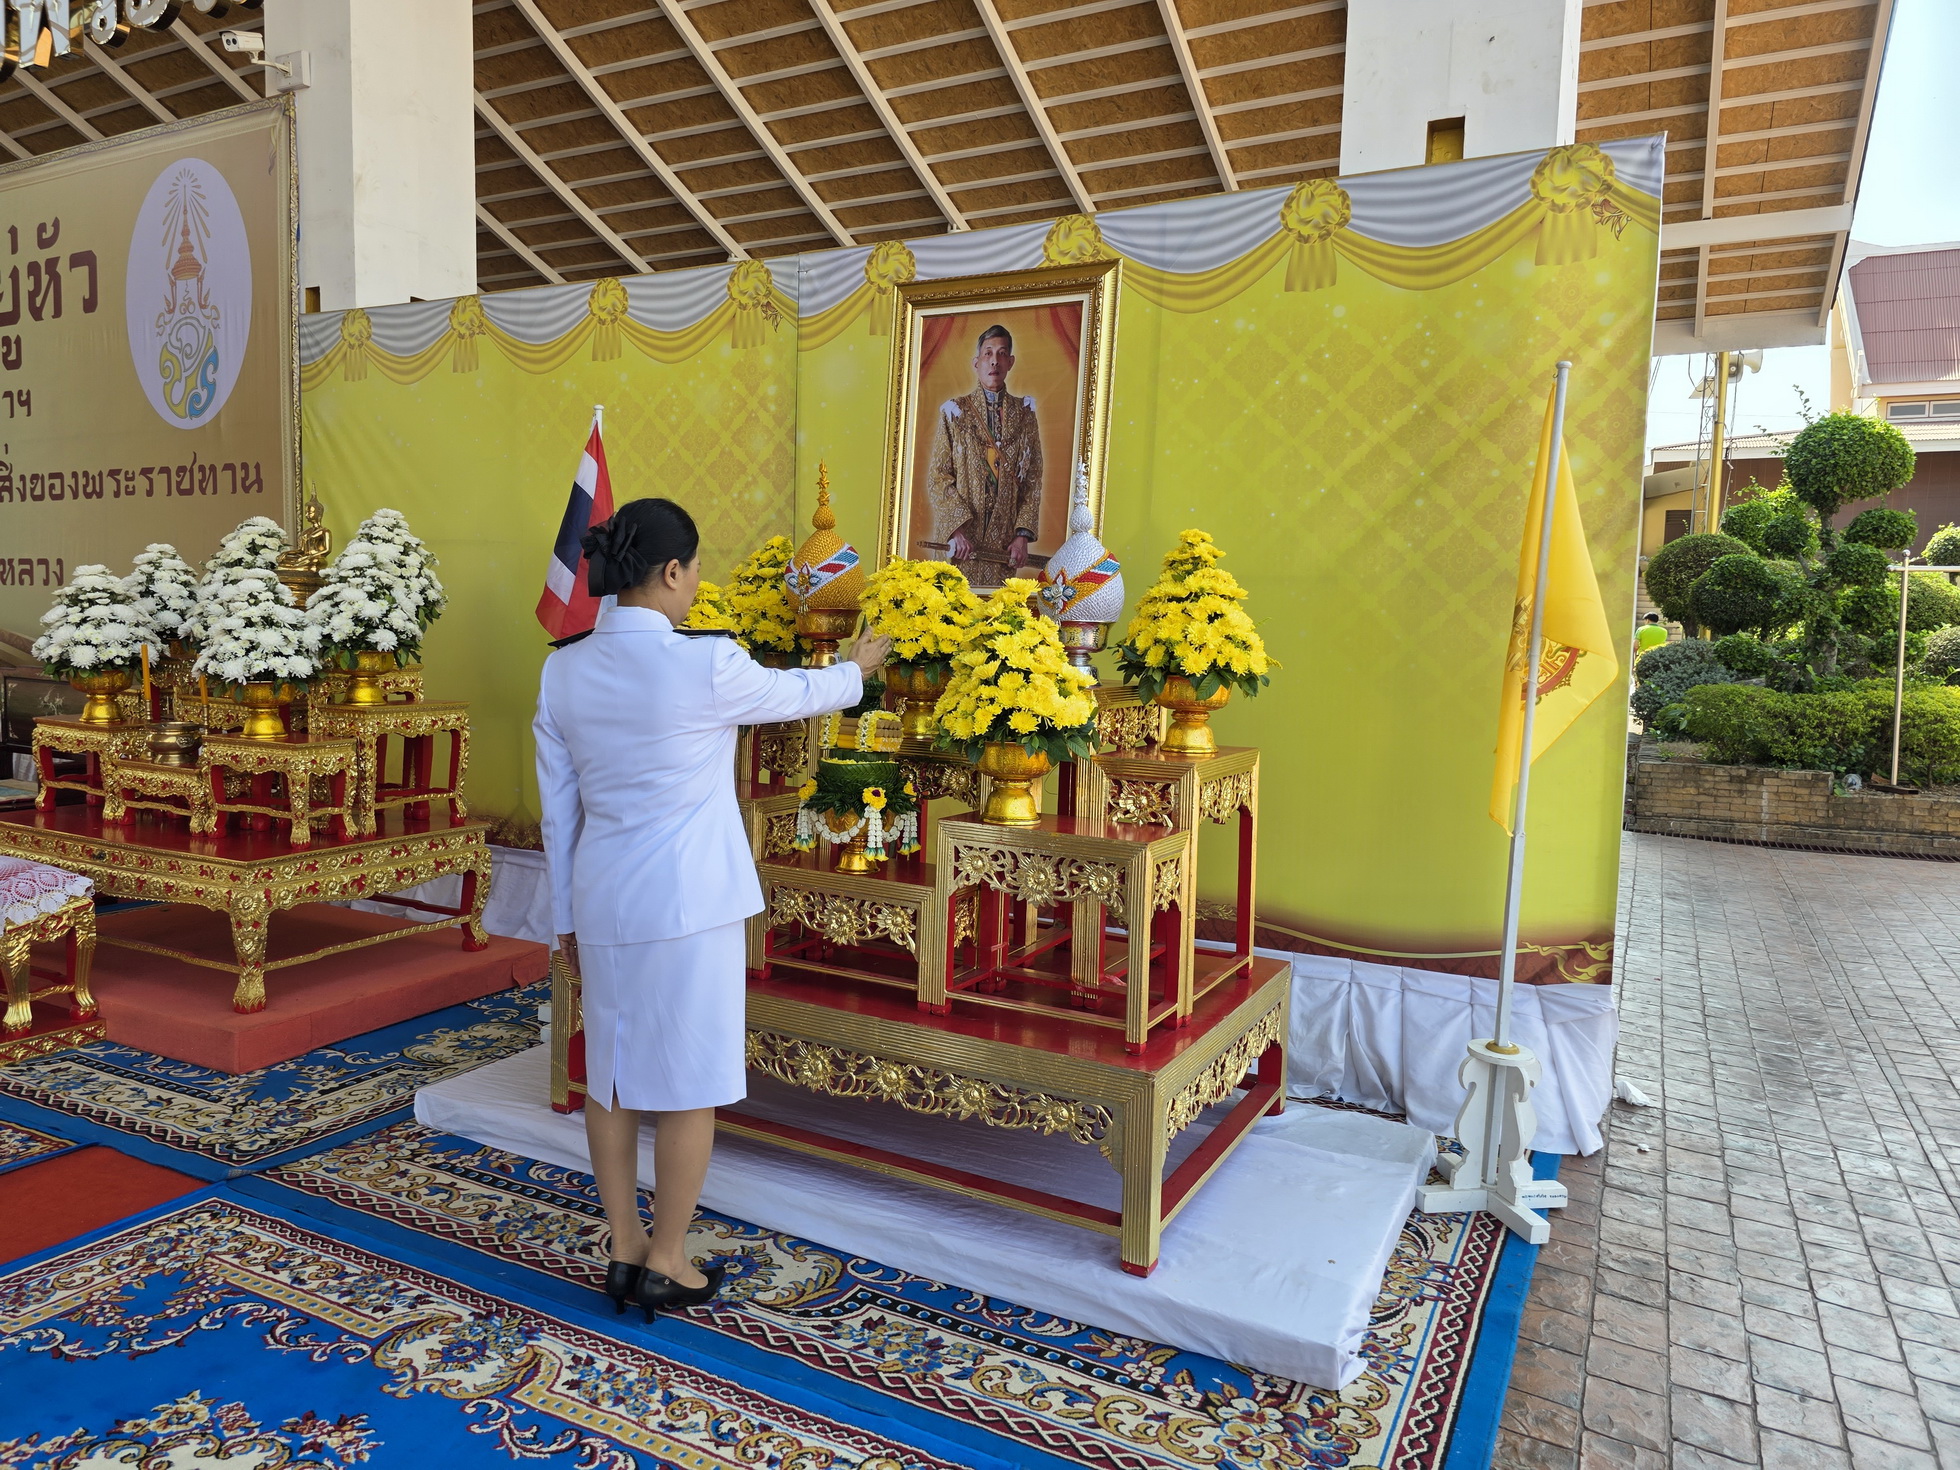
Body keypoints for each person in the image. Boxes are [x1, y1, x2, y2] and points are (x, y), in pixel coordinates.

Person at [534, 497, 890, 1320]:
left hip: (602, 897)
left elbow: (560, 812)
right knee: (687, 1085)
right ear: (670, 571)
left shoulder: (564, 667)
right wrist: (861, 666)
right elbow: (796, 691)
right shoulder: (704, 662)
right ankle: (668, 1259)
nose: (697, 585)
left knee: (613, 1078)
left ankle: (622, 1245)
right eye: (694, 570)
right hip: (689, 902)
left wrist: (563, 920)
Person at [926, 323, 1043, 582]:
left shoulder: (1024, 415)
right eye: (988, 353)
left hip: (1002, 548)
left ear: (1010, 362)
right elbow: (938, 475)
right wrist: (956, 530)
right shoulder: (955, 412)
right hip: (962, 546)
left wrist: (1021, 536)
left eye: (1002, 354)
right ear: (976, 362)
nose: (994, 361)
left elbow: (1033, 480)